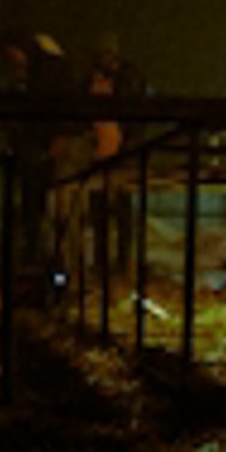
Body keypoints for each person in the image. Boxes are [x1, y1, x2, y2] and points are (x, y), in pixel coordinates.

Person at [0, 29, 73, 266]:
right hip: (42, 144)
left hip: (42, 145)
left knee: (42, 201)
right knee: (45, 201)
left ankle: (40, 251)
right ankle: (43, 251)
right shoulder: (47, 72)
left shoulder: (42, 75)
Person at [84, 32, 147, 272]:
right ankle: (105, 260)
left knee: (121, 210)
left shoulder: (125, 79)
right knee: (101, 211)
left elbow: (135, 116)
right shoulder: (94, 80)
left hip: (118, 152)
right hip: (100, 152)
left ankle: (120, 260)